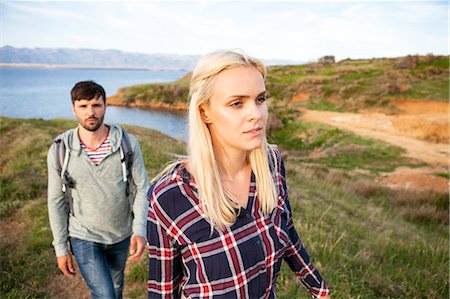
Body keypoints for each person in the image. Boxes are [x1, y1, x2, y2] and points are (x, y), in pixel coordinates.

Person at [147, 50, 330, 298]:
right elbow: (162, 291)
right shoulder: (169, 196)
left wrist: (318, 288)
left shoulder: (271, 163)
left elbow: (286, 229)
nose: (256, 114)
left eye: (260, 99)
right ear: (204, 112)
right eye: (237, 103)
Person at [47, 81, 149, 299]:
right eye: (83, 106)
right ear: (73, 109)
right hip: (83, 235)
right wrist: (61, 248)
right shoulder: (59, 149)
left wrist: (139, 230)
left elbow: (142, 188)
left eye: (96, 105)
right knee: (105, 295)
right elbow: (55, 200)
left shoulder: (128, 144)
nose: (90, 112)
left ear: (105, 106)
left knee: (116, 288)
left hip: (121, 234)